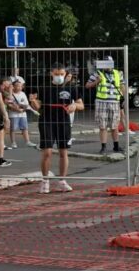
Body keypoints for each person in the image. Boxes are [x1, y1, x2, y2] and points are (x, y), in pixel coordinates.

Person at [30, 63, 84, 193]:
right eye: (56, 74)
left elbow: (81, 105)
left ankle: (62, 181)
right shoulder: (44, 87)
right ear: (51, 74)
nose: (59, 76)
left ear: (65, 74)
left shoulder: (71, 88)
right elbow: (38, 106)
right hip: (46, 121)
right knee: (47, 152)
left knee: (63, 152)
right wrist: (33, 101)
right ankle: (45, 181)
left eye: (61, 74)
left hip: (63, 122)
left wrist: (75, 106)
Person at [85, 57, 126, 154]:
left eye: (109, 63)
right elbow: (87, 85)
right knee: (102, 126)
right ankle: (103, 147)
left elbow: (122, 86)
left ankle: (116, 146)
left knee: (114, 125)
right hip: (101, 102)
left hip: (114, 102)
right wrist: (97, 81)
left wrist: (123, 98)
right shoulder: (97, 73)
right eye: (105, 63)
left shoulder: (118, 73)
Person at [7, 79, 35, 148]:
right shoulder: (10, 94)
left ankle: (27, 141)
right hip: (13, 115)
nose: (19, 87)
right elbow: (9, 105)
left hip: (23, 114)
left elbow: (26, 104)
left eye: (20, 86)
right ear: (13, 87)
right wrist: (16, 109)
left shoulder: (23, 94)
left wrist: (22, 109)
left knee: (25, 128)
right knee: (13, 129)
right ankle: (13, 142)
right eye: (17, 86)